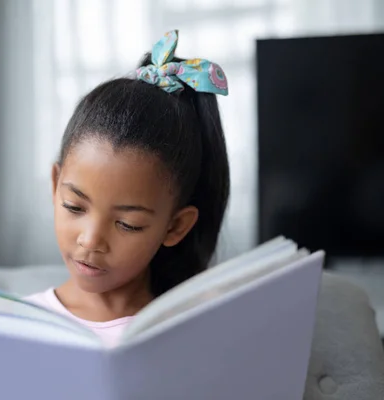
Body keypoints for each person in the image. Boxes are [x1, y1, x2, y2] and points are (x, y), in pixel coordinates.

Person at [24, 30, 230, 347]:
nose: (90, 240)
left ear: (175, 226)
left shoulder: (191, 335)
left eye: (127, 224)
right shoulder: (18, 321)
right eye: (74, 206)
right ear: (55, 187)